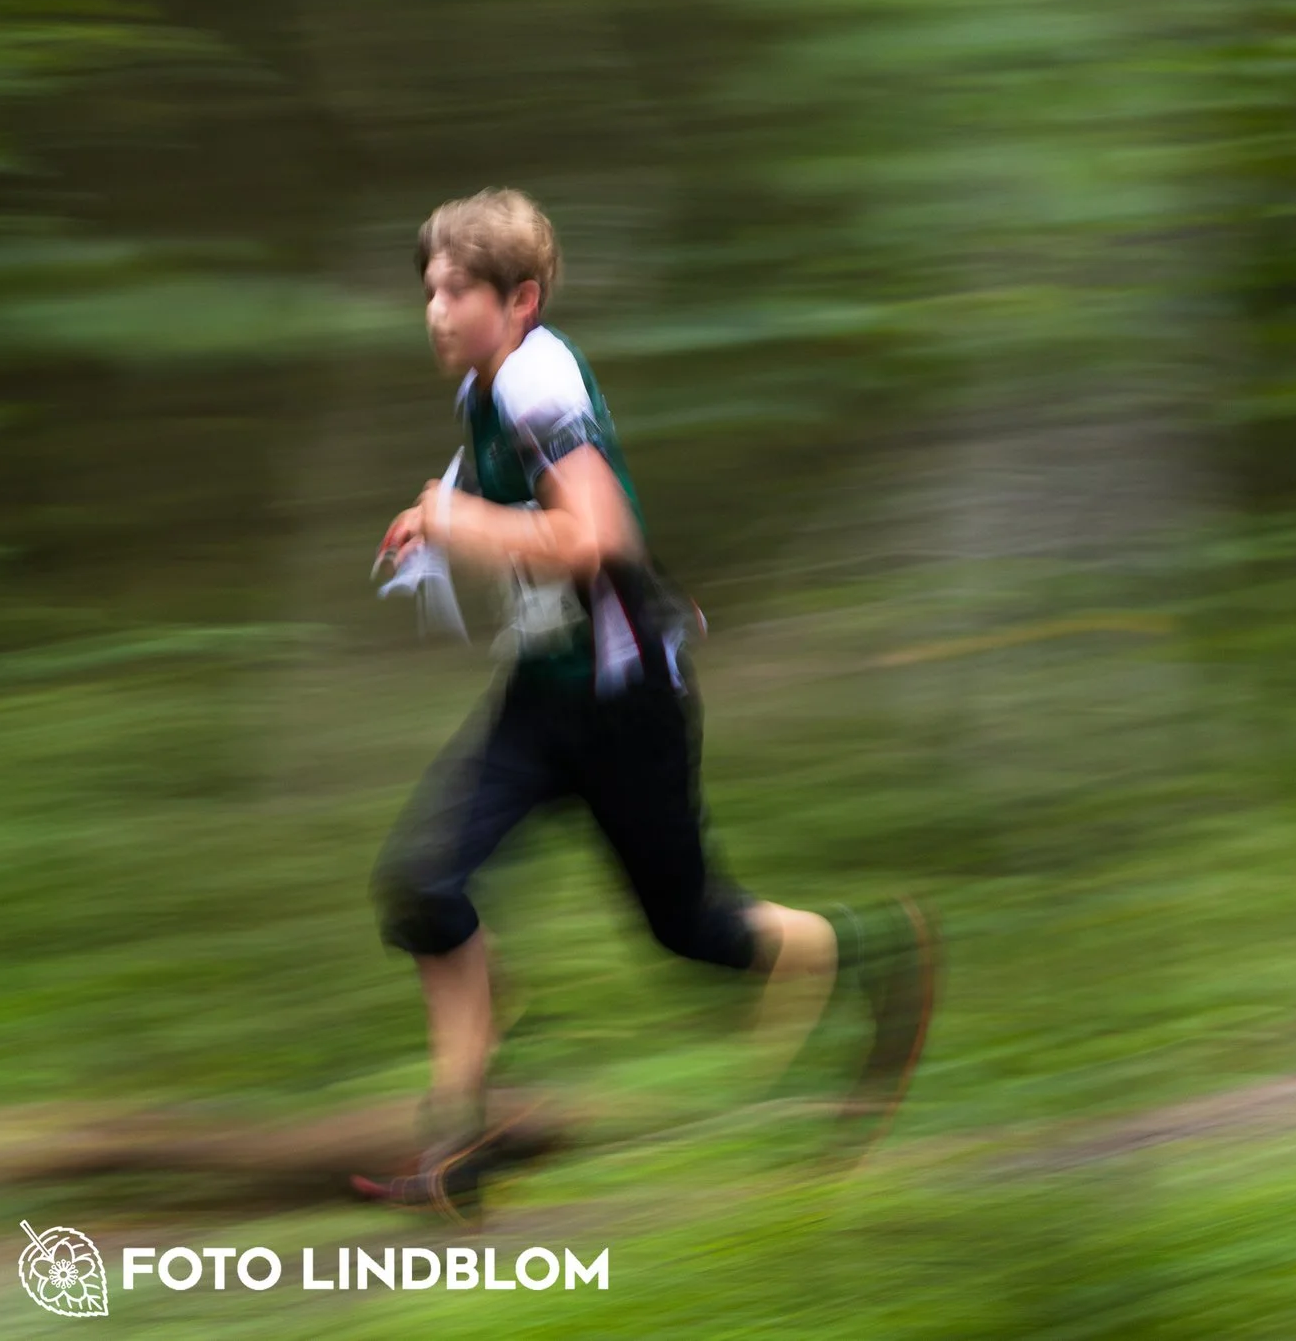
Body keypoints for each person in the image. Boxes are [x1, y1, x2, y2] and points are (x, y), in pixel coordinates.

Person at [353, 188, 939, 1225]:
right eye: (428, 289)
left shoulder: (536, 376)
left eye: (459, 290)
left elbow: (594, 535)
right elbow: (504, 493)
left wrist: (459, 517)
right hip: (543, 695)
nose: (436, 310)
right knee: (421, 885)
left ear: (520, 297)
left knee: (695, 928)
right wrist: (429, 512)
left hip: (627, 704)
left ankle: (874, 955)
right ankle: (461, 1141)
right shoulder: (490, 388)